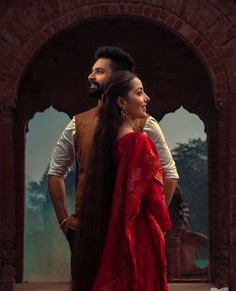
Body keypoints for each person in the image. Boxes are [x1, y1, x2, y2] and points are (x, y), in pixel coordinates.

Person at [48, 46, 178, 251]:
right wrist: (65, 223)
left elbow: (169, 174)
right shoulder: (78, 123)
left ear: (119, 78)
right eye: (92, 70)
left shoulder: (146, 124)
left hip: (130, 235)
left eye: (99, 71)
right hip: (86, 232)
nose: (90, 76)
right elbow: (55, 172)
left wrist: (153, 223)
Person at [72, 70, 172, 291]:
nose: (147, 98)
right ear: (122, 102)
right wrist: (162, 224)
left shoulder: (106, 144)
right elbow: (157, 202)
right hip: (139, 235)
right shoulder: (139, 143)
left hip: (112, 232)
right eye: (139, 93)